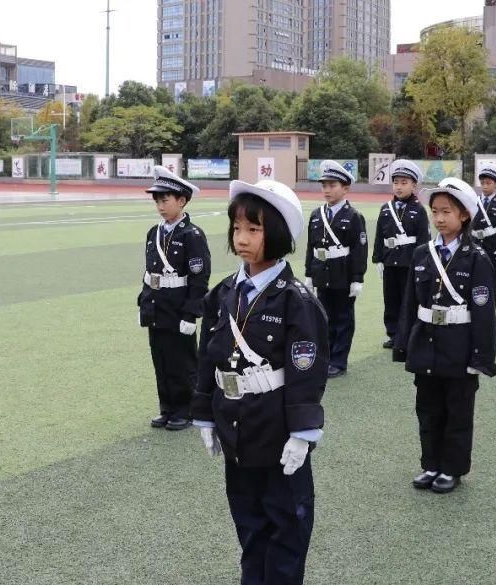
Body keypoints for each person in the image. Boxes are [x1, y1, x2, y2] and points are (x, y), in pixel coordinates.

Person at [192, 179, 328, 585]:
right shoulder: (225, 292)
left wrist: (303, 433)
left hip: (277, 429)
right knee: (249, 525)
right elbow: (208, 355)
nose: (243, 238)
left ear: (280, 235)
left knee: (286, 527)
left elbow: (307, 370)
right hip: (236, 426)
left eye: (255, 229)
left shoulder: (296, 300)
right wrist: (203, 414)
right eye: (237, 228)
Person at [393, 177, 496, 494]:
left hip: (459, 346)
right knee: (428, 409)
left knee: (457, 411)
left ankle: (451, 468)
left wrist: (480, 357)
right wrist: (403, 345)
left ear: (464, 215)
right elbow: (410, 304)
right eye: (435, 211)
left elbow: (483, 312)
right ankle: (431, 464)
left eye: (446, 212)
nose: (439, 218)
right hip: (426, 344)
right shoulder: (422, 254)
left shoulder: (477, 258)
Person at [137, 166, 211, 431]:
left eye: (165, 199)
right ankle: (167, 409)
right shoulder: (153, 233)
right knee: (161, 361)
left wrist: (192, 314)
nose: (160, 205)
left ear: (182, 200)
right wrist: (143, 303)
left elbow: (199, 279)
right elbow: (149, 273)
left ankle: (186, 410)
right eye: (157, 200)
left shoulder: (192, 235)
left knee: (183, 362)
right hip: (157, 308)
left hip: (179, 309)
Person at [304, 160, 368, 378]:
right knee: (324, 319)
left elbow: (359, 250)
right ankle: (326, 358)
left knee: (343, 320)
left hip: (343, 276)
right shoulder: (316, 215)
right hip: (322, 274)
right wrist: (309, 274)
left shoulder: (353, 216)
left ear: (345, 188)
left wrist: (357, 278)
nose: (327, 190)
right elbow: (311, 247)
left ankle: (339, 362)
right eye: (324, 185)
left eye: (332, 185)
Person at [373, 160, 430, 349]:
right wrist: (378, 259)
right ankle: (393, 333)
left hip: (409, 262)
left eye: (404, 182)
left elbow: (423, 240)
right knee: (391, 299)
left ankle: (408, 335)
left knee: (409, 300)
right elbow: (380, 235)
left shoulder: (419, 210)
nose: (399, 187)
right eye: (396, 182)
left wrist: (421, 263)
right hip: (390, 262)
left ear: (414, 185)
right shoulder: (385, 209)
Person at [472, 162, 496, 294]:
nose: (484, 186)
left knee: (492, 280)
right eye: (482, 183)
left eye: (488, 183)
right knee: (474, 278)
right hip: (475, 245)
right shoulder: (474, 201)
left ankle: (491, 310)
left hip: (492, 248)